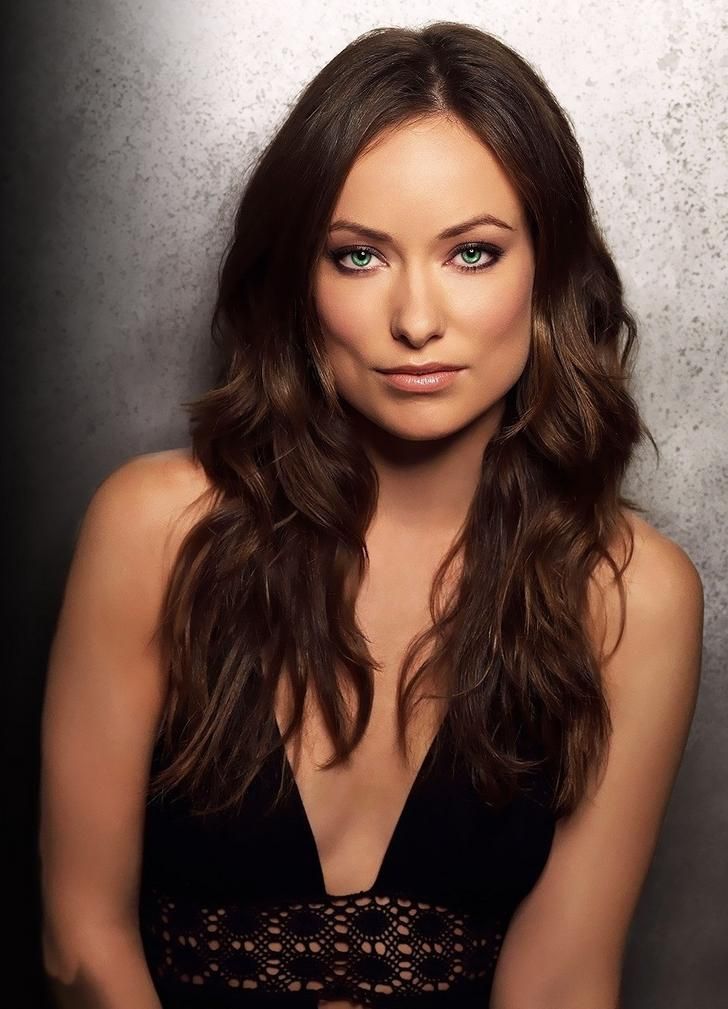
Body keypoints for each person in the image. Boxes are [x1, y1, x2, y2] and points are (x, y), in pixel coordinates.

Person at [38, 20, 704, 1009]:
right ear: (298, 279)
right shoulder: (155, 532)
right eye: (357, 258)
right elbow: (80, 942)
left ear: (546, 271)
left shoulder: (629, 594)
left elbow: (560, 979)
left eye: (471, 253)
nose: (415, 318)